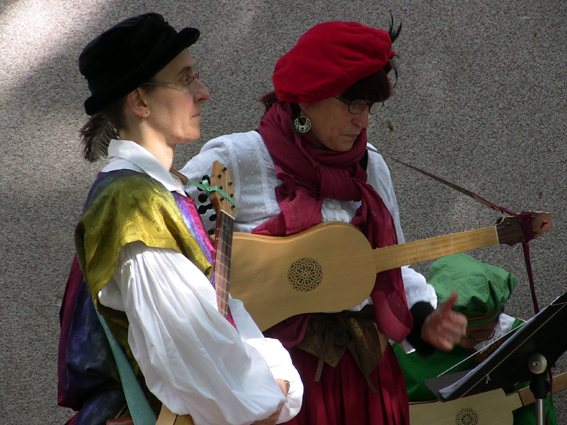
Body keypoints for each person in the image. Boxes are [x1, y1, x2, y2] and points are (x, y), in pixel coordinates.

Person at [181, 20, 467, 425]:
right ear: (307, 98)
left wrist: (424, 320)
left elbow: (390, 266)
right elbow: (174, 241)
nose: (360, 119)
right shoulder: (237, 158)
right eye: (351, 102)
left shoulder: (371, 167)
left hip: (365, 374)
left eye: (367, 106)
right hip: (274, 380)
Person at [57, 13, 302, 425]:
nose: (203, 92)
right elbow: (186, 344)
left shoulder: (159, 192)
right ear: (140, 101)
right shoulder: (131, 205)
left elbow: (219, 316)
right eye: (185, 79)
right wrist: (268, 394)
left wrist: (277, 379)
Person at [393, 253, 557, 425]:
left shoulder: (519, 343)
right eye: (457, 331)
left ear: (498, 319)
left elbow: (534, 412)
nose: (465, 341)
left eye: (478, 332)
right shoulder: (413, 344)